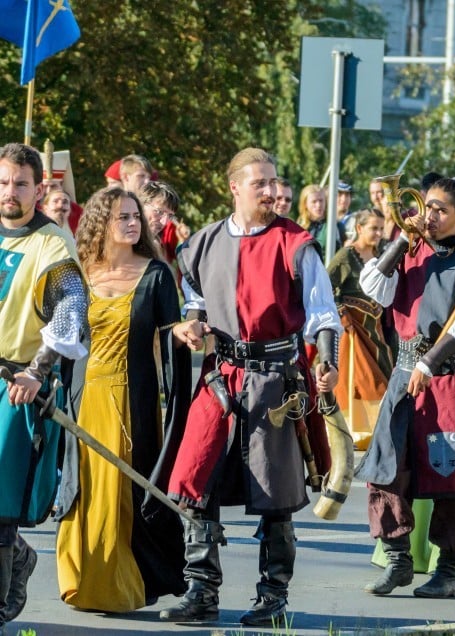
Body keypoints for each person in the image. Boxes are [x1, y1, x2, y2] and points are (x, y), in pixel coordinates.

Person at [158, 148, 342, 627]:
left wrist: (328, 361)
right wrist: (193, 324)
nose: (272, 191)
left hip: (276, 379)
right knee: (193, 480)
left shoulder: (296, 243)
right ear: (234, 187)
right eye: (260, 183)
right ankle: (202, 592)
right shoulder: (201, 244)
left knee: (277, 493)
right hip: (220, 376)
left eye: (274, 182)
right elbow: (196, 300)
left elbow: (323, 314)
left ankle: (272, 598)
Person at [357, 177, 455, 599]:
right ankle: (398, 558)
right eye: (427, 207)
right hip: (403, 375)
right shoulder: (408, 249)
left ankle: (449, 570)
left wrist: (429, 363)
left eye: (440, 210)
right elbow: (371, 288)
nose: (430, 216)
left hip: (447, 377)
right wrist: (402, 240)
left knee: (448, 475)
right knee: (385, 466)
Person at [55, 188, 193, 612]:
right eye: (123, 217)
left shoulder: (156, 274)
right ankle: (84, 580)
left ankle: (127, 583)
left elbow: (171, 330)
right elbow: (61, 339)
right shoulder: (79, 273)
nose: (133, 223)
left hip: (132, 399)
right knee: (86, 488)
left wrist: (182, 333)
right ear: (101, 223)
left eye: (136, 216)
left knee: (127, 490)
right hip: (83, 397)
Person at [0, 143, 88, 627]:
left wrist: (37, 369)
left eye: (19, 183)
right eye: (3, 181)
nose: (9, 192)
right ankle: (21, 555)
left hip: (17, 383)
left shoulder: (51, 242)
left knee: (0, 498)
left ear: (39, 189)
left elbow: (71, 307)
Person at [326, 208, 394, 450]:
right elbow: (326, 287)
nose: (377, 233)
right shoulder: (346, 256)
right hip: (353, 332)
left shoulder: (382, 255)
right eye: (372, 228)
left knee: (383, 372)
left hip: (375, 328)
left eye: (380, 227)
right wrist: (342, 312)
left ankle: (377, 430)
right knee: (361, 380)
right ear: (359, 228)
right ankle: (355, 432)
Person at [140, 181, 189, 268]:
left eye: (170, 216)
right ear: (141, 205)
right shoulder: (122, 242)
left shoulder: (157, 246)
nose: (164, 222)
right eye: (159, 212)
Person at [297, 184, 344, 261]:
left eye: (321, 201)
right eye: (314, 201)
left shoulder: (336, 225)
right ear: (305, 204)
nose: (318, 205)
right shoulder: (299, 225)